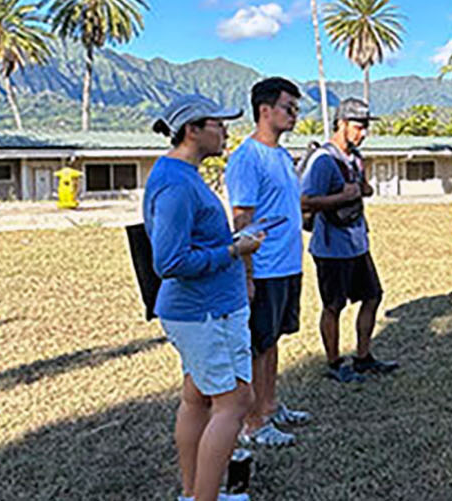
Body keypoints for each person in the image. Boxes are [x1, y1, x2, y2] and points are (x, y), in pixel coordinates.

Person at [144, 95, 257, 501]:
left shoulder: (182, 175)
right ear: (192, 130)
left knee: (197, 400)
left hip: (206, 308)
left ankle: (194, 493)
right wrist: (233, 251)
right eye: (218, 123)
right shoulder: (176, 183)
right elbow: (169, 260)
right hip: (203, 312)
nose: (226, 130)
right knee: (235, 403)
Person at [225, 77, 311, 448]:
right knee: (258, 345)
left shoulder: (280, 155)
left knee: (272, 340)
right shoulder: (247, 157)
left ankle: (271, 405)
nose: (294, 115)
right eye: (288, 108)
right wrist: (246, 274)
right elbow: (242, 219)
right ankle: (253, 423)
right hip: (264, 267)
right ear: (265, 110)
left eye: (296, 108)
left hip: (288, 264)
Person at [300, 97, 399, 383]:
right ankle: (333, 363)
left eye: (366, 126)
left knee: (372, 296)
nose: (363, 132)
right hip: (331, 247)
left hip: (357, 242)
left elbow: (361, 190)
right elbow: (304, 201)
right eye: (358, 126)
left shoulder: (355, 157)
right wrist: (341, 197)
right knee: (334, 306)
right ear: (341, 124)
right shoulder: (323, 160)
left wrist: (363, 189)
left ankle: (363, 357)